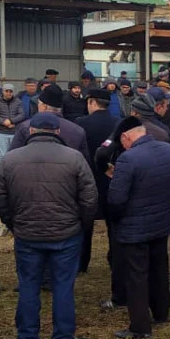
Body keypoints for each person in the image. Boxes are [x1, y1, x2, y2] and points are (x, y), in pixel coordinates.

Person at [0, 113, 97, 339]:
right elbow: (90, 199)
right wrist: (81, 222)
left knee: (28, 285)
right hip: (66, 233)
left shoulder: (10, 159)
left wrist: (13, 222)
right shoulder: (75, 158)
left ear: (30, 131)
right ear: (57, 132)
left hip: (27, 234)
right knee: (63, 285)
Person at [108, 120, 170, 339]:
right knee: (159, 268)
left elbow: (117, 199)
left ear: (125, 137)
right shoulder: (167, 150)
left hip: (134, 226)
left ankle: (140, 326)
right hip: (159, 221)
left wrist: (115, 218)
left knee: (136, 276)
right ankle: (161, 312)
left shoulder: (128, 159)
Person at [76, 89, 120, 273]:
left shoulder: (80, 124)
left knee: (85, 223)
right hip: (111, 178)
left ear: (91, 102)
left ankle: (82, 262)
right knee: (114, 223)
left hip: (86, 179)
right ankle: (115, 259)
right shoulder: (118, 124)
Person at [8, 84, 91, 163]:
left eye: (39, 104)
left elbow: (11, 159)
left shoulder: (26, 127)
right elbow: (84, 164)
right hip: (66, 176)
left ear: (43, 106)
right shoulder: (77, 131)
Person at [0, 83, 24, 164]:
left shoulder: (18, 101)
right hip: (1, 132)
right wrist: (4, 122)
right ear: (3, 91)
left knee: (14, 155)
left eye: (10, 91)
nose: (8, 93)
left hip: (14, 132)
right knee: (1, 156)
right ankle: (0, 175)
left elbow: (22, 114)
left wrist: (11, 121)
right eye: (6, 91)